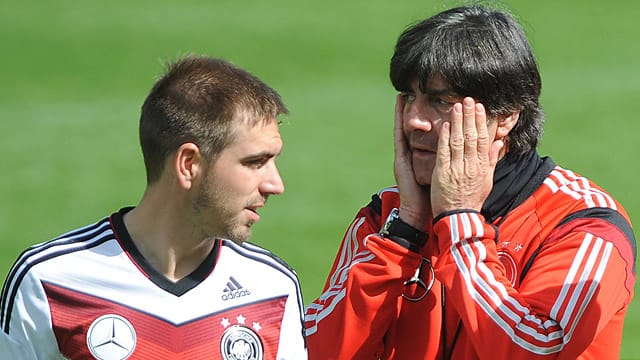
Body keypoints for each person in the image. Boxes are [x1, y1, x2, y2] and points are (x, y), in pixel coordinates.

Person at [305, 4, 636, 359]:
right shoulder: (385, 218)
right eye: (409, 97)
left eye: (440, 101)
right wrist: (404, 235)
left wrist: (459, 220)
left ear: (506, 115)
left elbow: (535, 350)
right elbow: (312, 351)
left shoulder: (584, 226)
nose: (414, 120)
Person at [0, 55, 308, 359]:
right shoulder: (50, 283)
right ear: (189, 164)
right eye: (255, 162)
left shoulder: (272, 290)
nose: (275, 184)